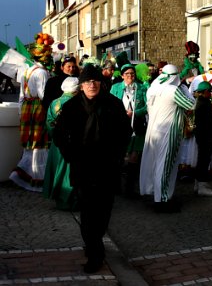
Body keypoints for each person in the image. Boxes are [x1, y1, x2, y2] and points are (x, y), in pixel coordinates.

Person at [52, 64, 132, 273]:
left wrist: (117, 155)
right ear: (81, 85)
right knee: (87, 212)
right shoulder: (72, 107)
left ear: (101, 83)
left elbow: (126, 132)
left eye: (95, 81)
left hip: (107, 167)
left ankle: (94, 243)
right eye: (87, 81)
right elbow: (58, 135)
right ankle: (95, 250)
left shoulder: (113, 105)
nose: (92, 85)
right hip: (83, 166)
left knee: (104, 211)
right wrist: (71, 155)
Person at [140, 64, 195, 212]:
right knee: (165, 166)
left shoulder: (153, 88)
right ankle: (162, 200)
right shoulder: (173, 90)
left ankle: (160, 196)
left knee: (157, 164)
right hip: (168, 132)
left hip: (154, 131)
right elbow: (191, 104)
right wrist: (185, 89)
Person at [9, 39, 52, 192]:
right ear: (43, 56)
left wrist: (22, 112)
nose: (50, 57)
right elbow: (43, 95)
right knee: (40, 142)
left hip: (28, 108)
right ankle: (34, 177)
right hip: (38, 108)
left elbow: (21, 95)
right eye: (48, 54)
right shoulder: (41, 72)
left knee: (31, 143)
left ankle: (22, 173)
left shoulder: (26, 71)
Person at [43, 77, 80, 210]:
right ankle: (71, 201)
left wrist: (56, 136)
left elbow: (49, 122)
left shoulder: (54, 103)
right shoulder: (77, 103)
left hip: (57, 144)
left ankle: (59, 200)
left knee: (57, 170)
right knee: (69, 172)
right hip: (72, 144)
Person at [110, 64, 147, 197]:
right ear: (122, 76)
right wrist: (120, 113)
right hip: (119, 126)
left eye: (132, 74)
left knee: (134, 158)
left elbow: (147, 106)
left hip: (137, 126)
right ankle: (116, 187)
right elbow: (110, 105)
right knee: (119, 157)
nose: (130, 76)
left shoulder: (142, 88)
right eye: (127, 74)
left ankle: (130, 189)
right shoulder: (115, 87)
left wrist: (135, 113)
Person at [192, 81, 212, 196]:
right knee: (204, 160)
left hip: (202, 135)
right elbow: (207, 123)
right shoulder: (204, 103)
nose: (211, 93)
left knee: (201, 159)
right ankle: (202, 185)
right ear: (206, 91)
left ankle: (198, 183)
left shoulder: (199, 101)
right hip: (205, 136)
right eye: (210, 91)